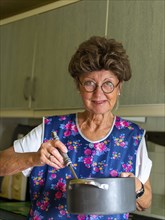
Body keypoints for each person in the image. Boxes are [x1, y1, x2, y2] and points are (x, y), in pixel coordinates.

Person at [0, 36, 152, 220]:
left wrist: (136, 187)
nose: (98, 93)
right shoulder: (51, 130)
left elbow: (145, 203)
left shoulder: (132, 137)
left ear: (119, 87)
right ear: (78, 86)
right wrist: (33, 158)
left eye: (108, 84)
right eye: (89, 83)